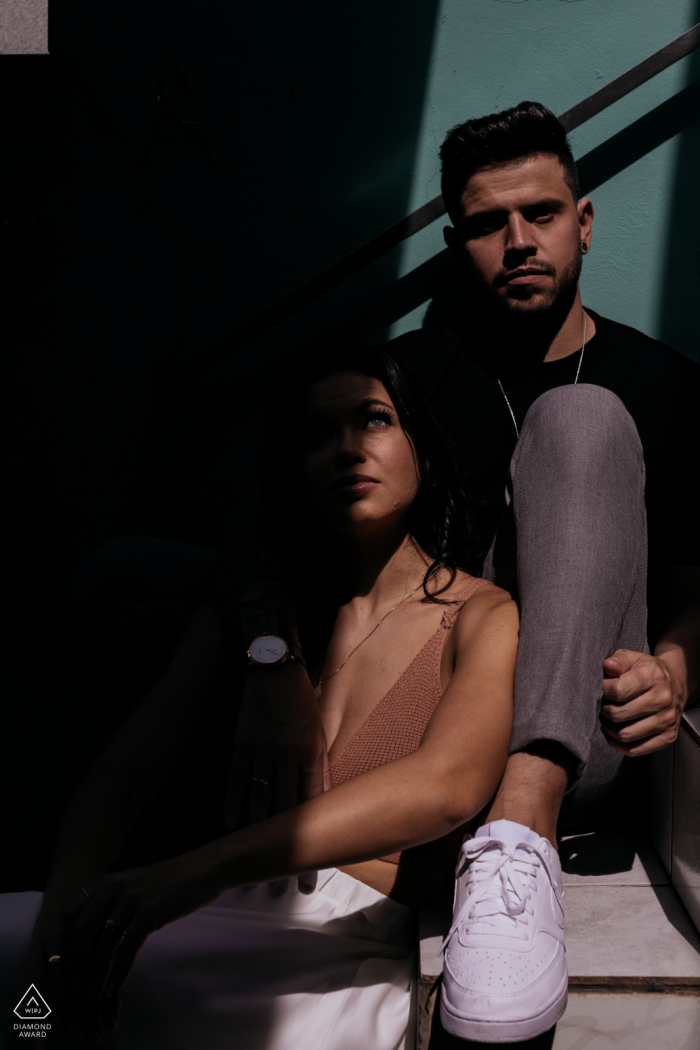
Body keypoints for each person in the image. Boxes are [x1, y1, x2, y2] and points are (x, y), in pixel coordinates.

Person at [211, 102, 700, 1042]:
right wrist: (272, 662)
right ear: (455, 241)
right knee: (124, 579)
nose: (518, 241)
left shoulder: (666, 385)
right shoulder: (406, 379)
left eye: (542, 214)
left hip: (578, 722)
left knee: (583, 420)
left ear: (585, 222)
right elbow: (260, 524)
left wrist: (677, 665)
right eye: (486, 224)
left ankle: (522, 824)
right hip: (431, 705)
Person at [0, 345, 519, 1049]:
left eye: (373, 420)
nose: (345, 450)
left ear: (419, 447)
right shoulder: (250, 621)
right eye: (315, 434)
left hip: (341, 940)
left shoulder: (482, 613)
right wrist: (59, 922)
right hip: (210, 912)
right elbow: (124, 776)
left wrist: (189, 874)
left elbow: (450, 784)